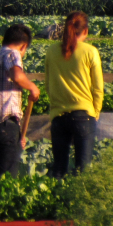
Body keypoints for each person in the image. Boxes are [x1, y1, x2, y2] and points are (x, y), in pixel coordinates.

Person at [0, 24, 41, 178]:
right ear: (24, 46)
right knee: (8, 179)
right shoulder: (12, 53)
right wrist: (32, 87)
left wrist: (19, 137)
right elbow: (17, 76)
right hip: (2, 123)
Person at [44, 11, 103, 178]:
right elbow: (98, 88)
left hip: (58, 116)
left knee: (59, 171)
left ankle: (58, 202)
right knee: (82, 171)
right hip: (83, 115)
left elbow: (48, 85)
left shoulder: (52, 51)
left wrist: (57, 105)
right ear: (85, 31)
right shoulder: (90, 52)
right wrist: (95, 111)